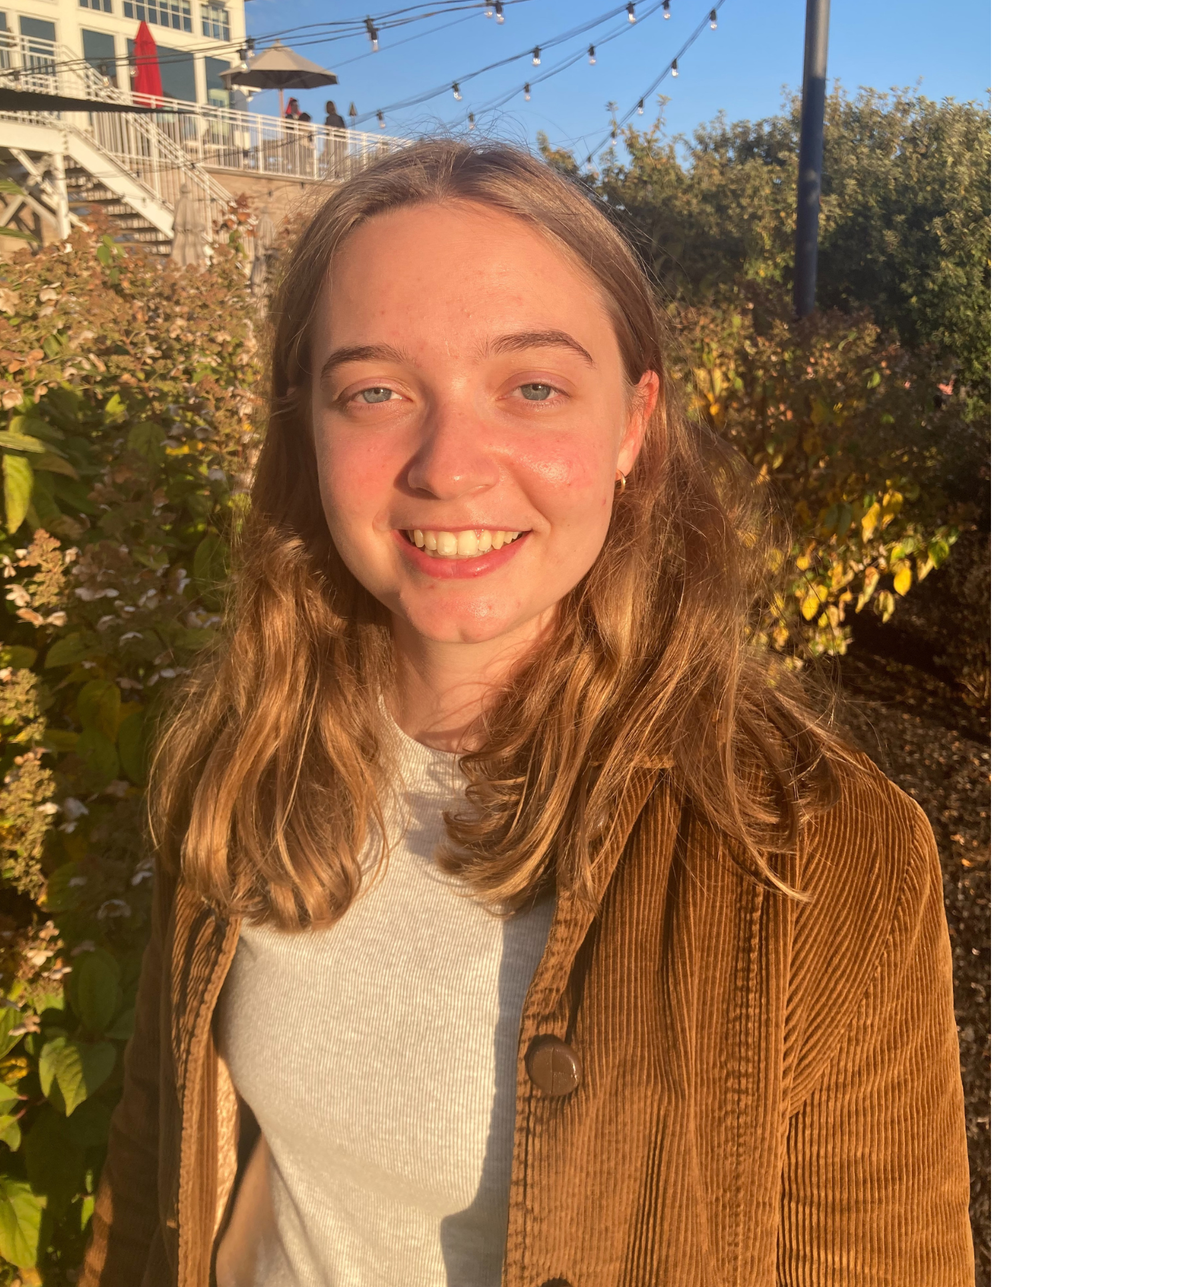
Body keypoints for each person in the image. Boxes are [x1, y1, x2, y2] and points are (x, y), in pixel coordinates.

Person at [78, 141, 973, 1287]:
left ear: (633, 423)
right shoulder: (247, 750)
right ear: (307, 422)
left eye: (532, 387)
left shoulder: (815, 851)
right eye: (376, 392)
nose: (449, 466)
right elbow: (160, 1145)